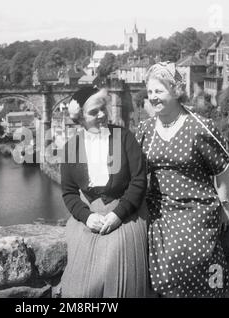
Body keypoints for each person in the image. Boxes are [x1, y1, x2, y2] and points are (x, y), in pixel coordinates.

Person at [136, 62, 229, 298]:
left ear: (175, 91)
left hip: (196, 209)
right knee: (159, 270)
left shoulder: (200, 127)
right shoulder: (145, 129)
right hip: (159, 211)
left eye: (159, 91)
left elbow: (222, 168)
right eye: (150, 93)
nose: (153, 98)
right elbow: (133, 173)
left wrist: (225, 205)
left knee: (192, 262)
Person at [59, 86, 149, 298]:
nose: (101, 115)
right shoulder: (72, 148)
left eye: (103, 109)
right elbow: (69, 193)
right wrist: (87, 217)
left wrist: (118, 214)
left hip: (127, 211)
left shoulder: (125, 137)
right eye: (93, 112)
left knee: (117, 260)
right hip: (89, 214)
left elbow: (139, 181)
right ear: (80, 117)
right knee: (81, 283)